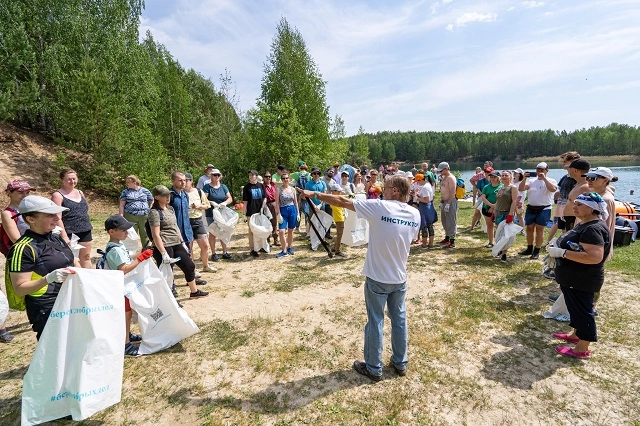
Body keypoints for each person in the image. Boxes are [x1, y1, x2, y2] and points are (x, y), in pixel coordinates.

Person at [298, 175, 419, 381]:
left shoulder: (380, 207)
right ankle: (400, 362)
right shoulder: (415, 214)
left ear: (395, 191)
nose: (382, 190)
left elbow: (343, 201)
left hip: (378, 277)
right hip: (399, 278)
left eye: (386, 187)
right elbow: (411, 238)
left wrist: (315, 194)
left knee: (375, 321)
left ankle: (373, 367)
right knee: (399, 319)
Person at [547, 193, 610, 358]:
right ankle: (576, 335)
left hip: (583, 279)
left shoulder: (593, 228)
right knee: (575, 308)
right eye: (575, 203)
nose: (574, 207)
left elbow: (594, 256)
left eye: (579, 204)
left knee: (583, 311)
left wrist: (562, 252)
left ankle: (582, 348)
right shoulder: (585, 224)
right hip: (573, 278)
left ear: (591, 208)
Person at [8, 195, 78, 339]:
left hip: (70, 298)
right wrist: (47, 279)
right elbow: (19, 289)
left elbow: (72, 260)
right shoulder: (23, 248)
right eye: (49, 215)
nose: (57, 219)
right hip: (47, 308)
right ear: (30, 219)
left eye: (55, 215)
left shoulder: (55, 237)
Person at [103, 215, 155, 356]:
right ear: (111, 232)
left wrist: (141, 254)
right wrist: (140, 259)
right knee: (126, 316)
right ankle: (125, 344)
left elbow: (127, 258)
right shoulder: (115, 250)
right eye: (123, 230)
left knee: (128, 314)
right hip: (120, 288)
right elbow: (123, 269)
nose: (127, 232)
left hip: (123, 287)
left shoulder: (118, 246)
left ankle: (127, 335)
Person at [148, 185, 209, 299]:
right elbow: (155, 235)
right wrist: (163, 252)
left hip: (176, 243)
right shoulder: (154, 213)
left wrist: (182, 242)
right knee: (167, 273)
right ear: (156, 197)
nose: (168, 197)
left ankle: (194, 292)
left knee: (189, 266)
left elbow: (175, 226)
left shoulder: (170, 209)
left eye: (168, 194)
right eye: (164, 195)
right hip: (164, 245)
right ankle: (168, 299)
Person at [1, 179, 35, 342]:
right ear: (9, 193)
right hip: (23, 256)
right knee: (28, 289)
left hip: (37, 251)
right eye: (21, 192)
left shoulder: (31, 209)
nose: (25, 195)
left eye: (27, 192)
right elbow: (16, 239)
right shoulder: (8, 213)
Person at [51, 168, 93, 268]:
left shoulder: (80, 192)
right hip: (69, 232)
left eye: (74, 179)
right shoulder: (57, 195)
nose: (72, 181)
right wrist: (64, 236)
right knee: (71, 260)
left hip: (85, 230)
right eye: (69, 179)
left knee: (86, 257)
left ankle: (89, 280)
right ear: (62, 180)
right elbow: (57, 217)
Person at [518, 162, 557, 259]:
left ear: (546, 171)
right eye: (538, 169)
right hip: (531, 207)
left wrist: (544, 178)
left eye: (542, 170)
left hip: (544, 208)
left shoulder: (551, 180)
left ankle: (537, 250)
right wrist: (524, 178)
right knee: (529, 228)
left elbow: (553, 189)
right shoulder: (531, 181)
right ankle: (529, 248)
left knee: (540, 229)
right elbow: (521, 188)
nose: (539, 172)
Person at [546, 153, 581, 246]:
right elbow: (559, 189)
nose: (563, 163)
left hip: (571, 207)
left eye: (565, 161)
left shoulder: (577, 178)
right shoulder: (565, 177)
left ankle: (568, 245)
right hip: (561, 205)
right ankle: (563, 243)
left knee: (569, 227)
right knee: (561, 226)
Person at [184, 173, 216, 273]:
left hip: (198, 220)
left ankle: (205, 265)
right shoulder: (180, 193)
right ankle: (193, 269)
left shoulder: (198, 191)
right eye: (183, 181)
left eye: (187, 180)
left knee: (205, 245)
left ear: (191, 181)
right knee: (189, 247)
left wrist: (198, 206)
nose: (184, 183)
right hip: (185, 221)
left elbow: (207, 205)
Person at [202, 169, 233, 261]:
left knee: (224, 231)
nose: (216, 177)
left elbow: (230, 198)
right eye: (215, 175)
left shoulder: (223, 187)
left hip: (222, 212)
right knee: (213, 232)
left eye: (218, 175)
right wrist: (212, 203)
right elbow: (204, 199)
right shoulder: (207, 187)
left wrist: (225, 203)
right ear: (211, 176)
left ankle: (225, 252)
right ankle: (214, 253)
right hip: (211, 213)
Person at [118, 175, 153, 247]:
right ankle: (131, 253)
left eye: (128, 182)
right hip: (130, 216)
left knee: (145, 234)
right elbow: (121, 205)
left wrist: (150, 209)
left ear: (134, 182)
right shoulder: (125, 192)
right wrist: (121, 215)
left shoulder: (145, 190)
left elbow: (152, 200)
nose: (127, 184)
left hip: (144, 216)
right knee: (131, 235)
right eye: (126, 182)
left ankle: (146, 252)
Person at [493, 171, 519, 262]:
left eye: (506, 175)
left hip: (506, 213)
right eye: (502, 175)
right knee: (499, 233)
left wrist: (510, 214)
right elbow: (498, 201)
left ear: (510, 177)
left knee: (505, 235)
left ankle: (504, 254)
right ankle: (500, 249)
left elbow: (514, 201)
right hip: (498, 212)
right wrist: (494, 211)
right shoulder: (501, 187)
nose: (504, 177)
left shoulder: (513, 188)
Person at [274, 172, 299, 258]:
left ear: (289, 179)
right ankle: (284, 250)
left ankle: (289, 247)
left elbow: (296, 202)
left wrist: (298, 213)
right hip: (283, 210)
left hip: (292, 210)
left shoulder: (293, 189)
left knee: (291, 230)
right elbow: (277, 203)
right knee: (281, 231)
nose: (285, 180)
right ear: (281, 180)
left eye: (287, 178)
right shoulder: (278, 189)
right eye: (283, 178)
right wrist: (278, 214)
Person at [242, 170, 267, 257]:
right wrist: (243, 214)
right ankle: (252, 249)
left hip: (260, 211)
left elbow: (264, 198)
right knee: (251, 231)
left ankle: (261, 246)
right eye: (250, 175)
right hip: (250, 212)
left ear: (256, 176)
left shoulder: (261, 185)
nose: (251, 176)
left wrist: (262, 207)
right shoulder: (247, 187)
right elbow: (245, 202)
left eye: (252, 175)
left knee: (261, 229)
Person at [480, 170, 503, 248]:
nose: (492, 178)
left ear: (498, 178)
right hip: (486, 208)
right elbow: (483, 197)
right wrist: (490, 205)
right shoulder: (486, 187)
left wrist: (494, 207)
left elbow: (501, 199)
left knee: (498, 226)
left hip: (498, 209)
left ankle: (499, 242)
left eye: (494, 177)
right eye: (491, 177)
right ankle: (491, 242)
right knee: (489, 225)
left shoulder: (502, 186)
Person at [437, 162, 457, 249]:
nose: (440, 172)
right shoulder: (444, 178)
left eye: (441, 170)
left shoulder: (451, 178)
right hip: (444, 201)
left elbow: (453, 192)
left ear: (446, 169)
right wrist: (442, 202)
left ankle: (452, 241)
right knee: (444, 221)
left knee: (451, 221)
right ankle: (447, 237)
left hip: (450, 201)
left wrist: (448, 204)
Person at [416, 174, 437, 249]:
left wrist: (416, 198)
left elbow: (426, 200)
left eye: (417, 182)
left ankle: (424, 244)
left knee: (424, 226)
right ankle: (431, 244)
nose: (417, 184)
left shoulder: (425, 187)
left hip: (425, 208)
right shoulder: (429, 185)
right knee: (430, 225)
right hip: (430, 206)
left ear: (420, 180)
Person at [329, 183, 347, 257]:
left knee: (339, 233)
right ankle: (337, 251)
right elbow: (342, 198)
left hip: (339, 217)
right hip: (339, 218)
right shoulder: (334, 198)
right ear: (334, 191)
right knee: (339, 234)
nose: (340, 192)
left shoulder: (333, 197)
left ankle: (334, 248)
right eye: (338, 191)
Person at [263, 172, 279, 246]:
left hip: (274, 203)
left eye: (269, 176)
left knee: (274, 222)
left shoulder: (273, 185)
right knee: (267, 222)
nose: (268, 178)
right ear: (264, 177)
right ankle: (268, 240)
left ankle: (276, 239)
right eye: (266, 176)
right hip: (266, 204)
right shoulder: (262, 186)